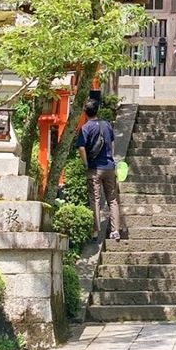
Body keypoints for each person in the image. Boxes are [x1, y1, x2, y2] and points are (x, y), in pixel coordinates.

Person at [76, 98, 124, 243]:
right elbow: (113, 143)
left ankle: (95, 231)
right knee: (113, 199)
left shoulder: (85, 128)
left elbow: (81, 147)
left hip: (94, 168)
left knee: (95, 199)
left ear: (85, 112)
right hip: (109, 167)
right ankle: (115, 231)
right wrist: (111, 159)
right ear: (97, 110)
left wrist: (86, 163)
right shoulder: (107, 125)